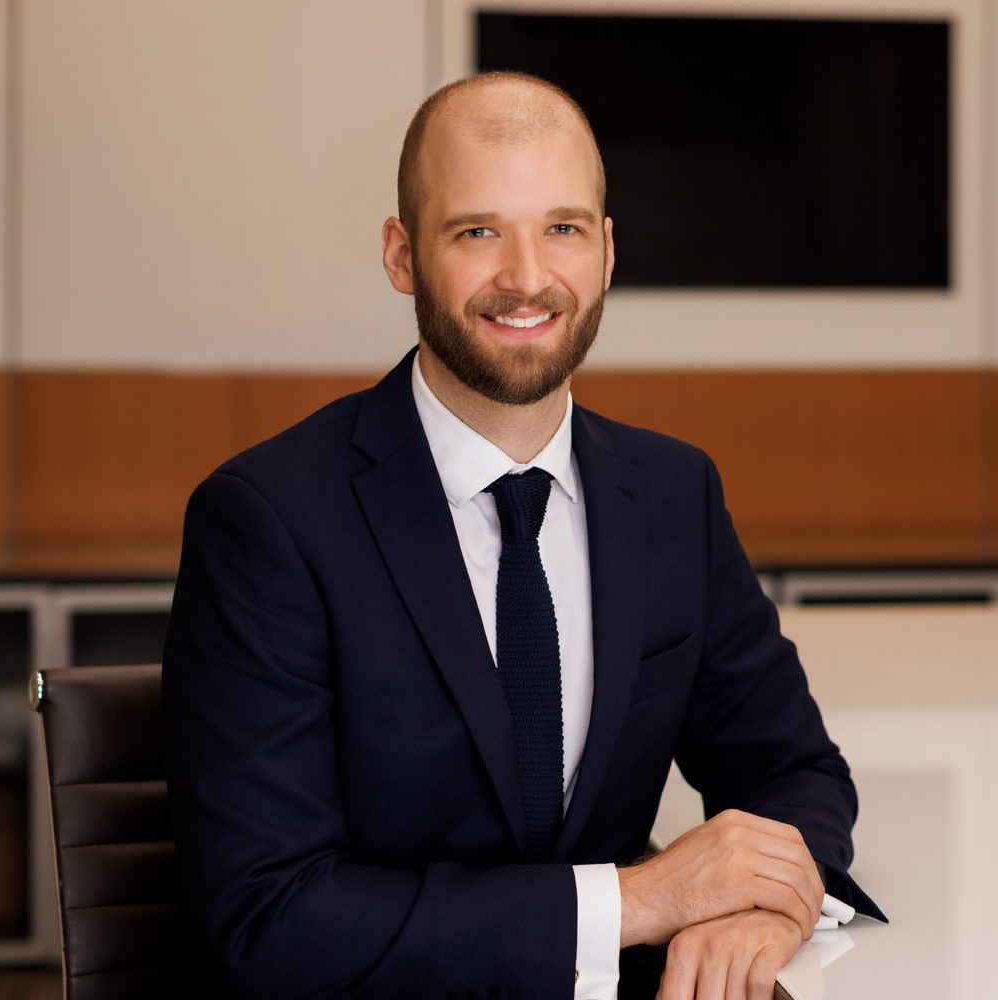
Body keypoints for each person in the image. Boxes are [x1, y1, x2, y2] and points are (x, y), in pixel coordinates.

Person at [162, 72, 882, 1000]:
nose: (529, 277)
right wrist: (634, 903)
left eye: (564, 228)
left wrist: (762, 903)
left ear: (609, 251)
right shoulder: (268, 519)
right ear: (401, 255)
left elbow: (792, 770)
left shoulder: (674, 493)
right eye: (476, 232)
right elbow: (270, 918)